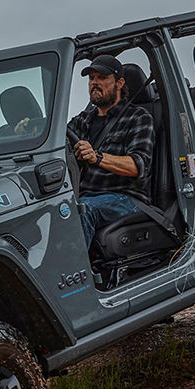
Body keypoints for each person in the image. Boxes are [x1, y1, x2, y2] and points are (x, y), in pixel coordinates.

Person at [68, 54, 155, 247]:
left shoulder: (138, 117)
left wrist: (97, 157)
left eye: (102, 78)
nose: (95, 83)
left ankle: (75, 276)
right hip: (83, 195)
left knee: (83, 210)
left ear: (119, 83)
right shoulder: (83, 120)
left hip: (125, 198)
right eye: (91, 78)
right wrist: (30, 129)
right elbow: (58, 142)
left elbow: (137, 166)